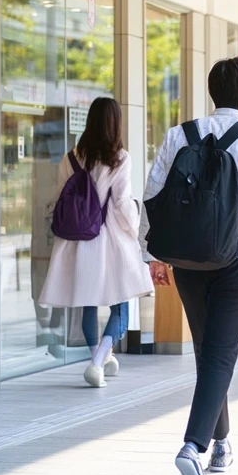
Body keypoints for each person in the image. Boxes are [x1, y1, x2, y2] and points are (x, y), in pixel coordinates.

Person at [141, 57, 238, 475]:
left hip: (187, 260)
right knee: (220, 355)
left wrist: (151, 254)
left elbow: (153, 197)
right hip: (237, 261)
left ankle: (221, 443)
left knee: (209, 353)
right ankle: (194, 445)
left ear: (212, 92)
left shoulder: (179, 134)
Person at [38, 98, 153, 388]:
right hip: (109, 241)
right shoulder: (119, 158)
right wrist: (137, 223)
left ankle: (101, 358)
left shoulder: (71, 157)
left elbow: (57, 198)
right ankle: (97, 361)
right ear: (115, 123)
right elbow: (121, 204)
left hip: (77, 242)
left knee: (88, 305)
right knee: (121, 307)